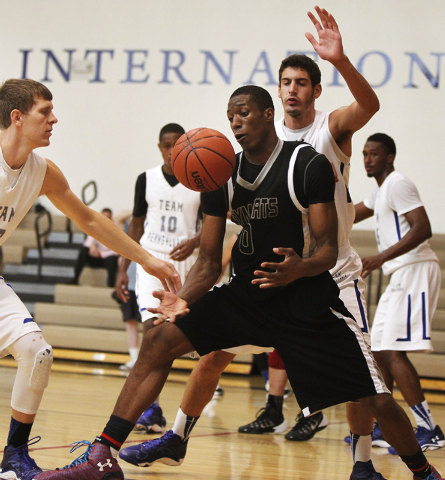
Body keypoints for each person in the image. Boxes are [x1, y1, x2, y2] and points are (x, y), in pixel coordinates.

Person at [36, 86, 443, 480]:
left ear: (269, 114)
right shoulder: (219, 174)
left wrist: (298, 268)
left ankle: (422, 472)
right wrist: (181, 299)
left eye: (243, 112)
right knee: (159, 339)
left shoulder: (307, 164)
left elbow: (327, 251)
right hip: (247, 296)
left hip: (306, 299)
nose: (235, 122)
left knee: (375, 398)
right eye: (230, 115)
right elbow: (210, 261)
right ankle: (103, 454)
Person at [119, 7, 385, 479]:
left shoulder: (332, 127)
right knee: (214, 351)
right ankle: (178, 435)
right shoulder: (262, 137)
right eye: (286, 81)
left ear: (316, 91)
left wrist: (341, 60)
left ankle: (362, 461)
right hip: (268, 266)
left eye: (302, 81)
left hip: (329, 268)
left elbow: (370, 107)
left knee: (362, 382)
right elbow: (248, 221)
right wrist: (210, 261)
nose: (292, 88)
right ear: (274, 94)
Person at [0, 78, 180, 480]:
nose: (54, 119)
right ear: (17, 117)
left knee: (37, 352)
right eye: (45, 112)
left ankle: (14, 457)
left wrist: (146, 259)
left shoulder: (42, 171)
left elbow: (89, 219)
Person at [354, 133, 444, 455]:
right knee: (378, 350)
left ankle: (428, 428)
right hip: (400, 272)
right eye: (364, 154)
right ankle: (385, 426)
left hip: (414, 268)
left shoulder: (398, 183)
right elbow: (349, 213)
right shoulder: (380, 190)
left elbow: (423, 228)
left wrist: (380, 258)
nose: (367, 159)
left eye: (374, 154)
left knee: (392, 351)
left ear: (389, 157)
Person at [114, 123, 202, 433]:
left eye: (176, 145)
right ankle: (150, 408)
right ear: (159, 147)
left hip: (187, 267)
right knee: (154, 334)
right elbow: (135, 226)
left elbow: (214, 225)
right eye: (165, 145)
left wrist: (196, 240)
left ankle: (170, 412)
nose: (170, 150)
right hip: (151, 262)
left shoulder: (200, 177)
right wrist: (123, 268)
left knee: (175, 340)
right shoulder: (146, 179)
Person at [72, 208, 119, 287]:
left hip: (107, 260)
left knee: (112, 259)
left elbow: (117, 251)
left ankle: (111, 285)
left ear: (111, 219)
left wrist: (101, 254)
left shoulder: (116, 232)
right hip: (95, 258)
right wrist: (92, 246)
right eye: (103, 217)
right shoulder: (94, 229)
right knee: (84, 250)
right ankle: (75, 278)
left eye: (108, 217)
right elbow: (87, 244)